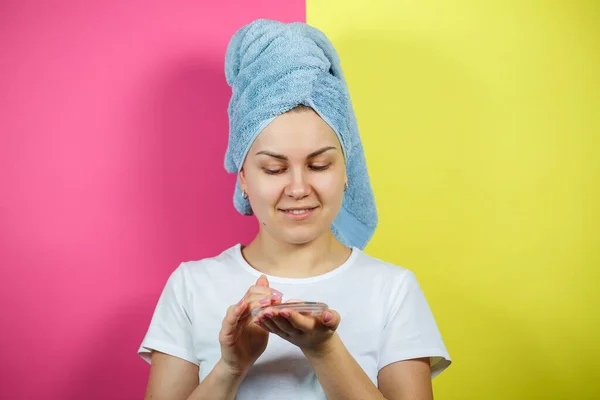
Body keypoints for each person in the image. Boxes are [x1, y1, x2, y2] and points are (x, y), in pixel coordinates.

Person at [138, 19, 451, 400]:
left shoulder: (393, 291)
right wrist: (232, 367)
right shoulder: (191, 287)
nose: (299, 188)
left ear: (347, 170)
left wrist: (324, 350)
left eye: (319, 165)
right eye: (274, 168)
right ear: (243, 178)